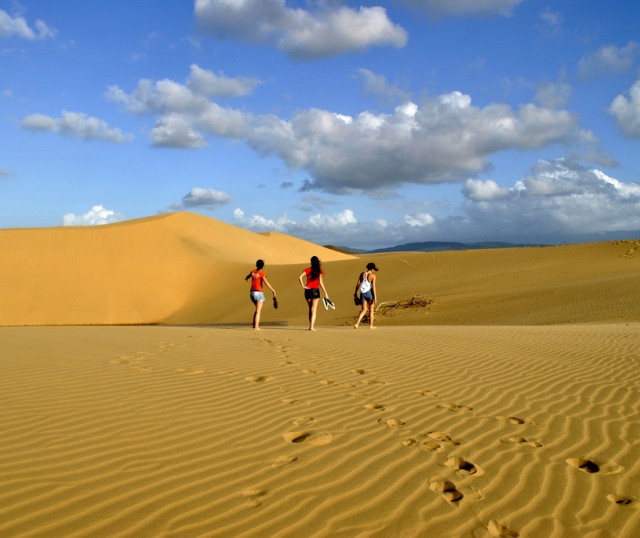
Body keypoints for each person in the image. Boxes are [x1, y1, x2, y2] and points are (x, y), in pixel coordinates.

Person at [298, 256, 330, 331]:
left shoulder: (308, 269)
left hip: (308, 290)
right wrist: (325, 292)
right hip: (315, 290)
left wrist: (303, 286)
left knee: (310, 308)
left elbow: (300, 277)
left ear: (311, 262)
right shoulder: (319, 270)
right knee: (314, 309)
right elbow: (321, 282)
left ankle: (310, 326)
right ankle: (312, 327)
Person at [245, 259, 276, 330]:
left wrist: (246, 278)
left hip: (252, 293)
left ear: (256, 264)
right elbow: (266, 282)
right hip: (259, 293)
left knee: (257, 309)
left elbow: (248, 276)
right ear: (263, 266)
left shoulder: (253, 272)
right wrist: (273, 290)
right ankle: (256, 327)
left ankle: (253, 325)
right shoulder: (262, 273)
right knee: (258, 311)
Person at [354, 262, 378, 329]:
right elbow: (373, 286)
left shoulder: (362, 274)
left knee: (364, 310)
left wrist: (355, 293)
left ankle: (357, 323)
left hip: (362, 293)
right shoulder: (373, 276)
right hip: (369, 293)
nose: (374, 271)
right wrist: (375, 297)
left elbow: (358, 284)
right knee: (371, 310)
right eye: (374, 269)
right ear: (372, 269)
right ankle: (371, 326)